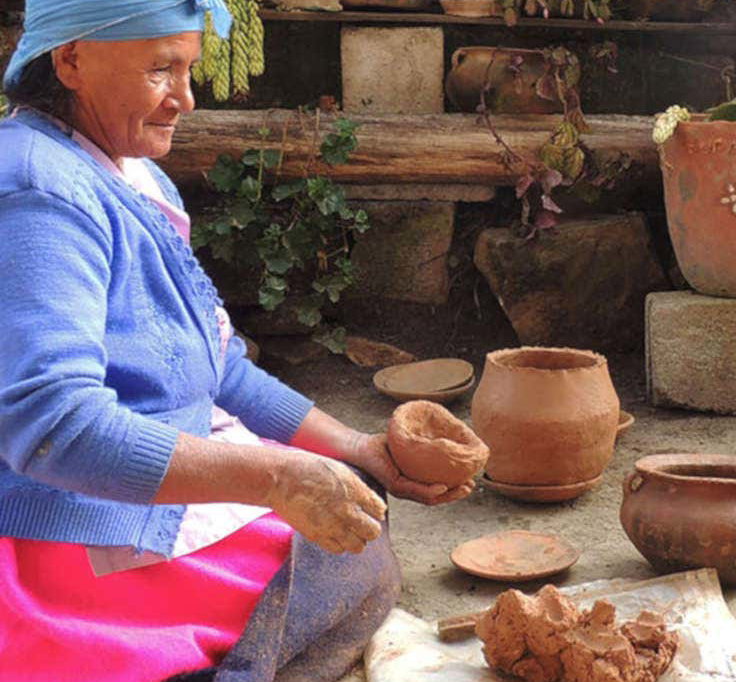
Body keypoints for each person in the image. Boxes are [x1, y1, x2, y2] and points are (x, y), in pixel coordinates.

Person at [0, 2, 473, 680]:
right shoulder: (35, 191)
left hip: (139, 472)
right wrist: (277, 477)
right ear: (70, 59)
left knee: (353, 503)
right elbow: (52, 428)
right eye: (161, 68)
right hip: (63, 522)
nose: (184, 100)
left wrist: (361, 449)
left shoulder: (130, 172)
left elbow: (218, 368)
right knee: (337, 552)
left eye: (188, 69)